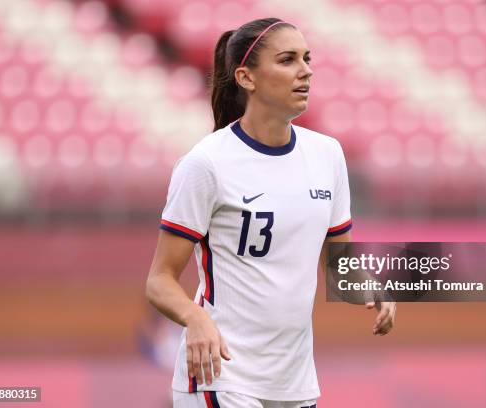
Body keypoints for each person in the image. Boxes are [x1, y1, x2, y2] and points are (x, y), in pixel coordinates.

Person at [146, 17, 397, 408]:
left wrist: (371, 287)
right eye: (287, 60)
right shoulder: (206, 163)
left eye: (307, 58)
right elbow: (159, 280)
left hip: (294, 384)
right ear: (246, 78)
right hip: (221, 376)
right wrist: (195, 320)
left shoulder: (327, 155)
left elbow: (339, 264)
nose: (306, 70)